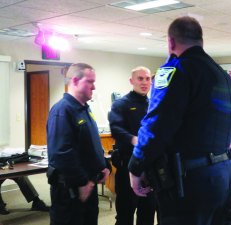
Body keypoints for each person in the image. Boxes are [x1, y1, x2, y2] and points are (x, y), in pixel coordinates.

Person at [128, 16, 231, 225]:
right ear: (201, 40)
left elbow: (156, 125)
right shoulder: (221, 74)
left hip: (192, 179)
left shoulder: (175, 70)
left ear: (171, 42)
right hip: (224, 171)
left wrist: (136, 166)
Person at [46, 63, 111, 225]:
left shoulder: (84, 109)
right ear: (75, 81)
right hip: (71, 189)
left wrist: (103, 166)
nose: (94, 87)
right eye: (90, 81)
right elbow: (61, 153)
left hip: (88, 184)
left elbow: (90, 144)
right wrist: (82, 181)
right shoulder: (62, 110)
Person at [108, 66, 156, 225]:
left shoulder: (154, 104)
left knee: (148, 212)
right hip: (127, 164)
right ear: (131, 81)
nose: (144, 82)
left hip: (150, 166)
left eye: (147, 79)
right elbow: (116, 129)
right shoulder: (121, 104)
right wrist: (134, 139)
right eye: (140, 78)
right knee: (125, 214)